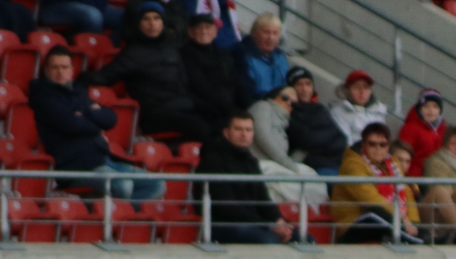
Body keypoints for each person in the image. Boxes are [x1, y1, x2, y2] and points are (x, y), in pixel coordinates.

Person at [30, 47, 163, 206]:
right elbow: (72, 125)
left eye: (64, 67)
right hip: (75, 167)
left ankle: (120, 215)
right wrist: (94, 120)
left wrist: (84, 112)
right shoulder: (44, 97)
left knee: (156, 184)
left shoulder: (78, 91)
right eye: (55, 67)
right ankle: (109, 215)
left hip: (103, 160)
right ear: (46, 70)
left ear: (72, 70)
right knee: (123, 186)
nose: (60, 72)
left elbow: (110, 119)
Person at [89, 2, 211, 142]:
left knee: (218, 118)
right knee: (199, 127)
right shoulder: (132, 54)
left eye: (156, 18)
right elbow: (106, 76)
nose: (152, 23)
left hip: (182, 106)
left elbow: (184, 83)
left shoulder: (171, 49)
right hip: (154, 114)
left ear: (163, 23)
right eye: (146, 19)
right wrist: (81, 80)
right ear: (139, 24)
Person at [195, 110, 296, 243]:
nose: (244, 134)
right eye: (238, 129)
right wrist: (269, 226)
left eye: (248, 130)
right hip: (222, 225)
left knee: (304, 239)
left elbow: (263, 199)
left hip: (253, 224)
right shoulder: (212, 161)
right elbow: (227, 208)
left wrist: (279, 221)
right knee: (269, 240)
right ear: (226, 132)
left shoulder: (251, 161)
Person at [333, 123, 423, 244]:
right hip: (352, 225)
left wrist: (414, 223)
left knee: (394, 218)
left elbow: (407, 193)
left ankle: (424, 237)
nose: (378, 148)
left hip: (390, 218)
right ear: (364, 144)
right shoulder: (352, 165)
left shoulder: (393, 163)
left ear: (388, 146)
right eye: (372, 144)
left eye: (382, 145)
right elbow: (371, 199)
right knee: (376, 214)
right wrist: (402, 218)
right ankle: (417, 241)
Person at [249, 82, 324, 205]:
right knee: (290, 185)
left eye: (294, 103)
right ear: (274, 96)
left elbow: (287, 158)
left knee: (312, 179)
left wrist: (306, 147)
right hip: (258, 164)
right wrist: (291, 166)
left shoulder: (286, 124)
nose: (289, 103)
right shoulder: (263, 106)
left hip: (276, 167)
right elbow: (264, 138)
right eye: (285, 98)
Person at [286, 69, 348, 175]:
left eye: (308, 84)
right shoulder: (290, 111)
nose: (304, 89)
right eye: (299, 84)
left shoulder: (319, 108)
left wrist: (320, 140)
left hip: (336, 162)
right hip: (313, 167)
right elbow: (307, 139)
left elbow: (341, 139)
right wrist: (329, 137)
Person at [233, 13, 289, 103]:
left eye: (275, 33)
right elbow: (245, 93)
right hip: (256, 105)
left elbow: (287, 86)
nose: (271, 38)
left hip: (281, 105)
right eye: (266, 32)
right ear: (254, 33)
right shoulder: (243, 55)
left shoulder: (280, 56)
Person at [396, 89, 447, 176]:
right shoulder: (410, 128)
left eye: (435, 106)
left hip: (439, 175)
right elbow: (402, 156)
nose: (431, 110)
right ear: (419, 109)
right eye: (426, 106)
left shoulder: (444, 130)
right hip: (415, 177)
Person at [330, 69, 389, 144]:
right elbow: (345, 143)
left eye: (366, 87)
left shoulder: (378, 111)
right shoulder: (338, 113)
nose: (362, 92)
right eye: (356, 87)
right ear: (347, 90)